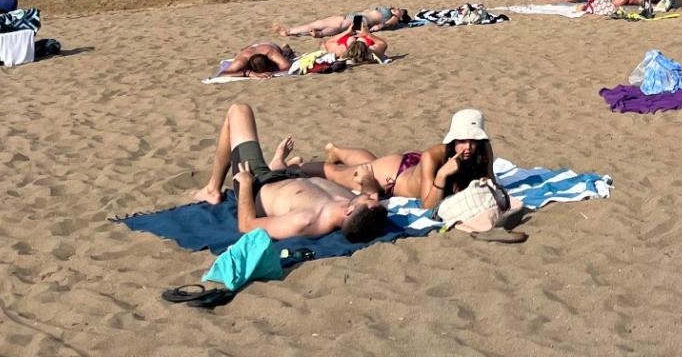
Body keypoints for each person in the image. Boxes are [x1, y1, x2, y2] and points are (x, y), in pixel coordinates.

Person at [192, 103, 388, 242]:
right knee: (305, 168)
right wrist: (368, 181)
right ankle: (279, 163)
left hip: (258, 182)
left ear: (349, 211)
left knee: (239, 111)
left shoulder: (303, 220)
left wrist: (244, 184)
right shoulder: (354, 208)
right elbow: (371, 195)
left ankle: (212, 189)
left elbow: (247, 225)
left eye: (368, 200)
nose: (372, 197)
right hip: (290, 179)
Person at [312, 108, 502, 214]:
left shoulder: (484, 150)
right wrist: (443, 174)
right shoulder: (433, 156)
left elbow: (491, 183)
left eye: (473, 141)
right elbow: (428, 205)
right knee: (336, 174)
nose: (467, 147)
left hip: (413, 168)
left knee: (371, 161)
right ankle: (292, 167)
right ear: (452, 140)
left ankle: (336, 151)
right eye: (461, 141)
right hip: (394, 176)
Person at [273, 6, 410, 38]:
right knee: (320, 22)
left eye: (400, 11)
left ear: (400, 17)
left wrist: (381, 26)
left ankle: (320, 35)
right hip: (353, 16)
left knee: (339, 27)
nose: (397, 8)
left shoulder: (394, 19)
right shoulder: (386, 10)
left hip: (362, 20)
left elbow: (388, 24)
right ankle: (289, 31)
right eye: (398, 8)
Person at [218, 41, 297, 78]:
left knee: (287, 57)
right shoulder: (243, 58)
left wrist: (272, 73)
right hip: (249, 48)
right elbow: (223, 73)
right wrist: (249, 73)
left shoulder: (270, 52)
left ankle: (286, 49)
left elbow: (287, 66)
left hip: (267, 45)